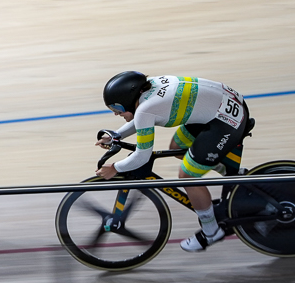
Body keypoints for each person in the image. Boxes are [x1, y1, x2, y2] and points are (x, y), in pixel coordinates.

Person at [98, 71, 251, 252]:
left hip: (226, 121)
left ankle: (211, 232)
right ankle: (229, 172)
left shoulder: (146, 109)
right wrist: (117, 135)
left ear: (129, 98)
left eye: (117, 108)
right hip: (221, 109)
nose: (116, 113)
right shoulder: (147, 89)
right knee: (175, 148)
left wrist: (115, 167)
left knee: (186, 176)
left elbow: (142, 156)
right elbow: (141, 117)